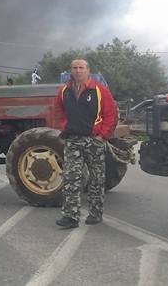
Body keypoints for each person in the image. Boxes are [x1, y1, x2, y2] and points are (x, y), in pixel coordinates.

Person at [54, 59, 118, 228]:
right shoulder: (64, 91)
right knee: (71, 178)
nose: (78, 70)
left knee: (96, 179)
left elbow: (111, 115)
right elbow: (59, 111)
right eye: (74, 68)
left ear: (88, 70)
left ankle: (95, 213)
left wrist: (102, 136)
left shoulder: (99, 91)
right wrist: (64, 127)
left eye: (81, 67)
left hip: (93, 141)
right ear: (71, 71)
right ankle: (71, 216)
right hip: (73, 140)